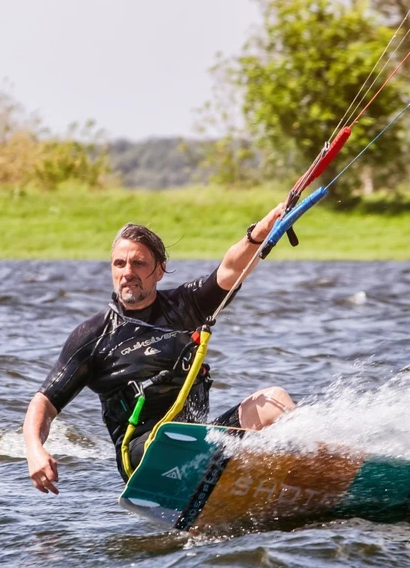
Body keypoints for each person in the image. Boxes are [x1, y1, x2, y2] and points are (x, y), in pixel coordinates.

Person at [23, 203, 296, 494]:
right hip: (145, 460)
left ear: (159, 270)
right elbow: (44, 403)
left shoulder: (185, 306)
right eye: (119, 264)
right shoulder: (93, 336)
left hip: (198, 444)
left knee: (273, 401)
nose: (128, 272)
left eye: (138, 263)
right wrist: (34, 450)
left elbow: (230, 269)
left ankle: (317, 470)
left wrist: (261, 232)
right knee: (173, 437)